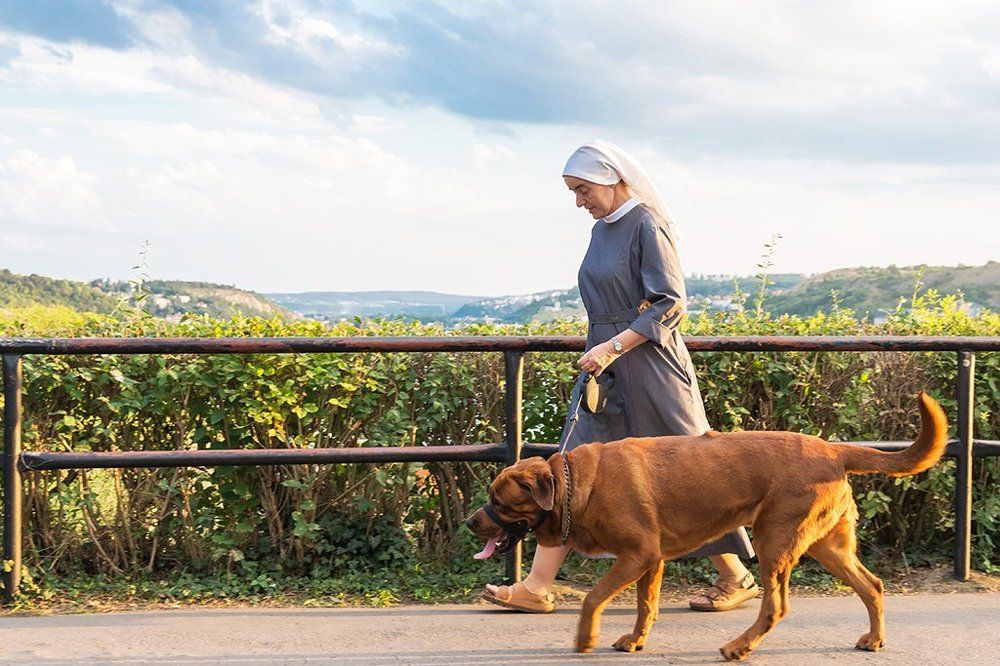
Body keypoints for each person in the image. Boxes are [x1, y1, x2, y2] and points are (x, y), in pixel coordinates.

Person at [481, 140, 758, 613]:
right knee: (565, 471)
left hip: (651, 369)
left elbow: (671, 303)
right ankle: (536, 585)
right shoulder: (601, 230)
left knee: (690, 472)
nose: (578, 201)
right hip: (604, 371)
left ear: (611, 180)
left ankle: (736, 577)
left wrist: (611, 346)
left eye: (583, 189)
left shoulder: (648, 224)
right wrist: (602, 347)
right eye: (573, 191)